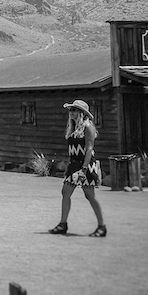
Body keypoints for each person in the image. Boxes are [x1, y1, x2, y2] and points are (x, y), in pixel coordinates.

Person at [49, 99, 107, 237]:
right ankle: (63, 224)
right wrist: (69, 165)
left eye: (74, 110)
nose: (71, 112)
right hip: (74, 165)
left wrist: (84, 169)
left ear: (81, 113)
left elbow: (89, 149)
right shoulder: (73, 127)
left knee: (90, 196)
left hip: (86, 165)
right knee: (65, 192)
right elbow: (72, 149)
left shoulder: (88, 127)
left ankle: (102, 226)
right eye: (70, 110)